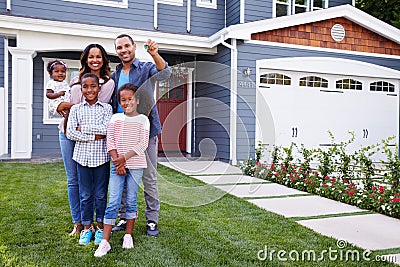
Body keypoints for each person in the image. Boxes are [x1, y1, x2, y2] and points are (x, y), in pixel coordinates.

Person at [110, 34, 171, 236]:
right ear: (116, 51)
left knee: (149, 178)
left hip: (145, 131)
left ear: (134, 47)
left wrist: (155, 54)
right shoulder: (115, 74)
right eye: (119, 47)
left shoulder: (145, 68)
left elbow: (165, 74)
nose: (124, 50)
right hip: (121, 132)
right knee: (122, 174)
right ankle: (123, 216)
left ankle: (152, 220)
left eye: (127, 45)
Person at [57, 43, 115, 236]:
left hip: (94, 142)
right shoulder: (75, 80)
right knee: (74, 181)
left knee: (97, 189)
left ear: (104, 59)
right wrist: (64, 106)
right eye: (91, 56)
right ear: (85, 59)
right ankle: (79, 223)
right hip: (68, 131)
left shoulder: (108, 83)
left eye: (99, 56)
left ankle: (95, 224)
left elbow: (99, 108)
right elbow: (67, 106)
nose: (95, 60)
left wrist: (85, 129)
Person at [95, 83, 151, 257]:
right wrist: (117, 162)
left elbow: (143, 144)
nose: (127, 103)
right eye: (123, 100)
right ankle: (105, 241)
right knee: (113, 201)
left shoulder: (143, 119)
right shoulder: (115, 118)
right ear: (119, 102)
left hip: (135, 165)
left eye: (130, 99)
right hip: (117, 164)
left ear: (138, 100)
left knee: (132, 200)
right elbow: (110, 141)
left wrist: (123, 160)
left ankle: (128, 235)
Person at [66, 73, 113, 245]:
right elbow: (71, 132)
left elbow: (106, 129)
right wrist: (94, 136)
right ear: (81, 89)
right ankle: (87, 228)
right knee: (85, 195)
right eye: (85, 86)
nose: (89, 90)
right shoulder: (76, 109)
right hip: (82, 158)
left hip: (101, 158)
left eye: (93, 86)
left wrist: (83, 128)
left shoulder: (107, 108)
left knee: (100, 195)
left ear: (99, 88)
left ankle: (100, 227)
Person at [45, 59, 70, 133]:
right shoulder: (51, 83)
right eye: (56, 71)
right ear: (51, 74)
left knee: (69, 114)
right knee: (67, 114)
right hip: (55, 103)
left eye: (63, 71)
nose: (60, 73)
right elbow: (48, 94)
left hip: (63, 101)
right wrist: (58, 94)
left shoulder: (64, 83)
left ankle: (69, 128)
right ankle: (65, 130)